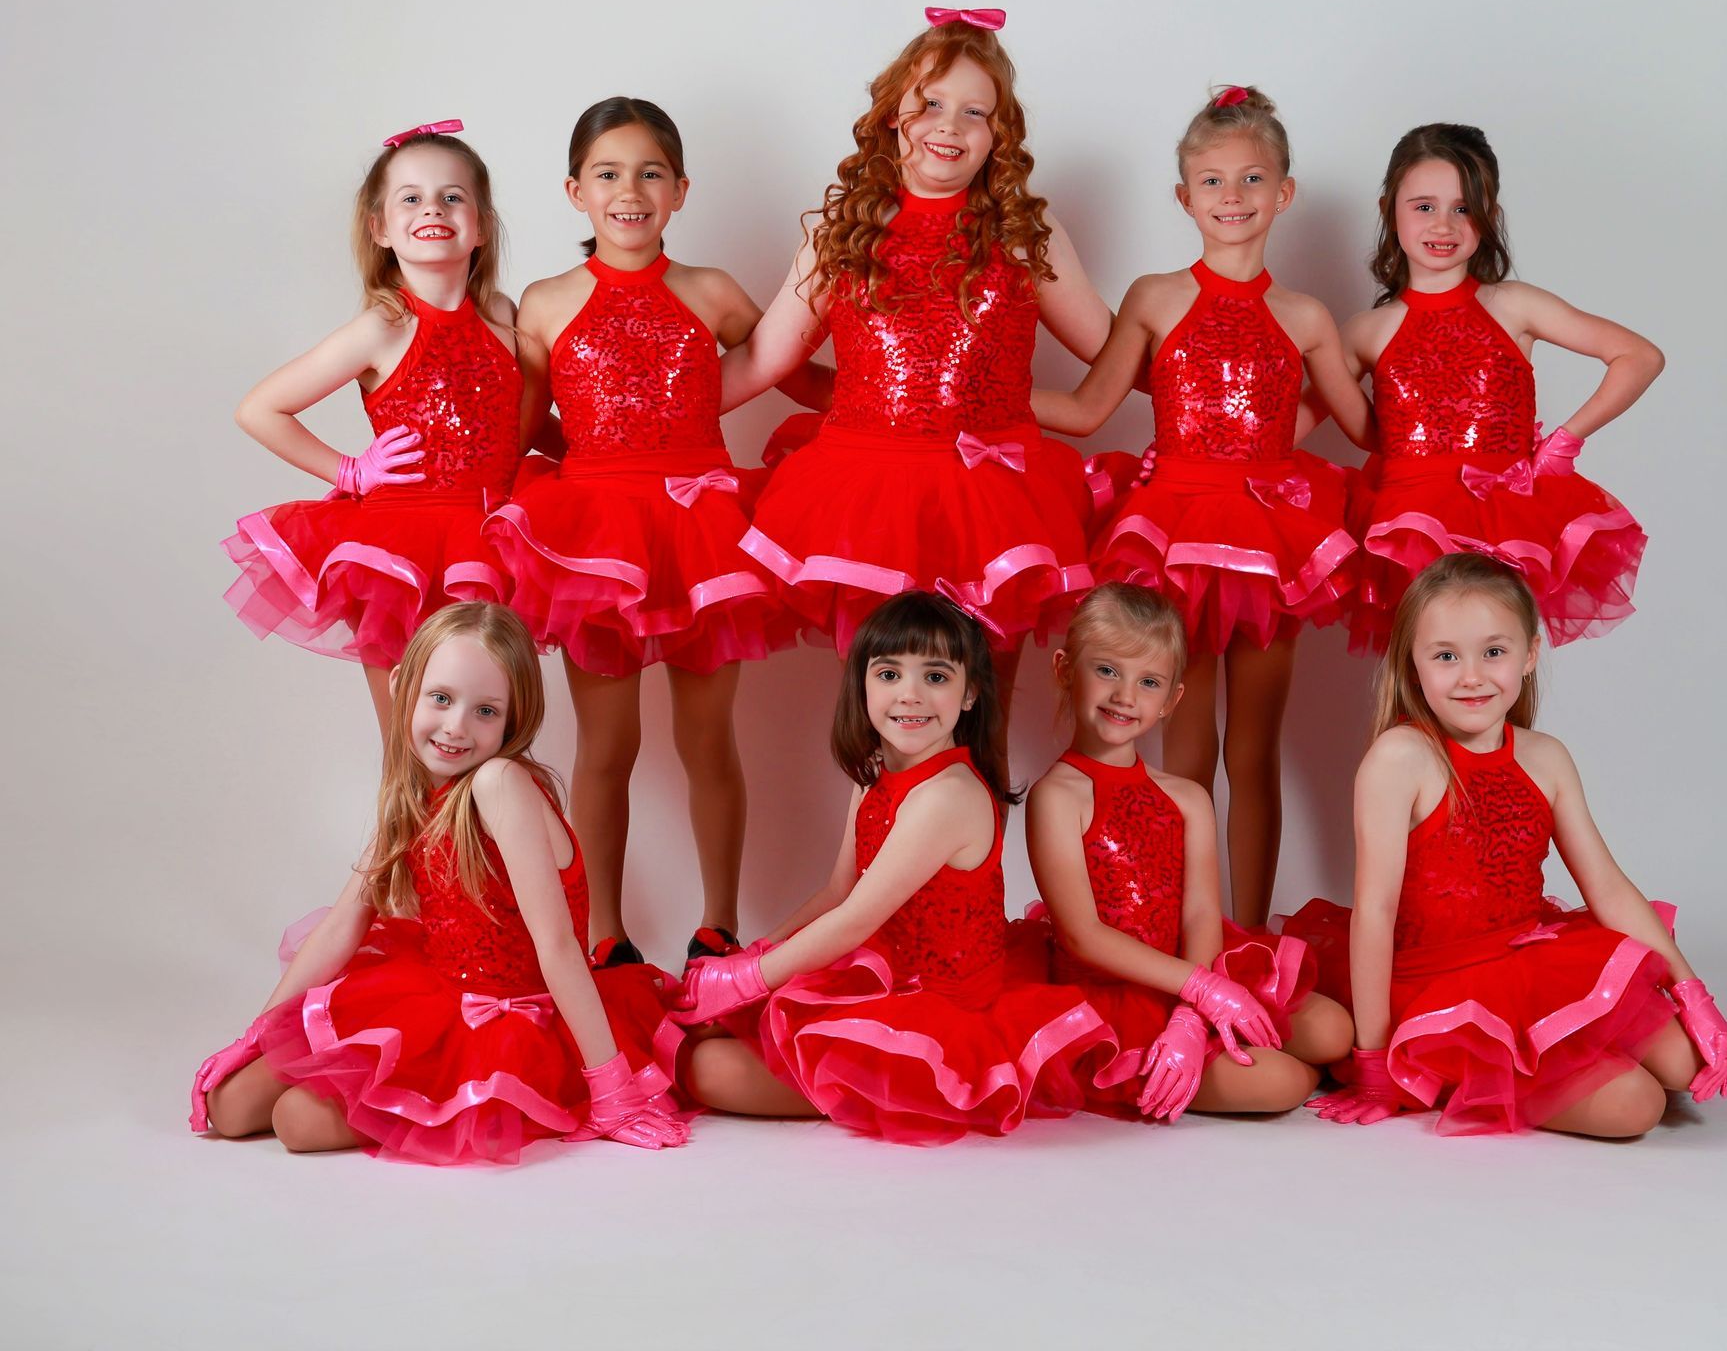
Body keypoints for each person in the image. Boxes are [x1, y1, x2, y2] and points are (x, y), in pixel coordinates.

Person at [1293, 555, 1727, 1137]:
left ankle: (1726, 1033)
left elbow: (1607, 887)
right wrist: (1373, 1064)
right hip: (1440, 986)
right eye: (1446, 656)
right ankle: (1588, 1065)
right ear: (1413, 665)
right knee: (1637, 1109)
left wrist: (1693, 992)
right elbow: (1374, 915)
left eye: (1493, 652)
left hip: (1533, 960)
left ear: (1528, 655)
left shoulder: (1545, 756)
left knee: (1685, 1064)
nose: (1471, 676)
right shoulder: (1401, 758)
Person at [1034, 87, 1373, 923]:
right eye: (1212, 181)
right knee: (1182, 748)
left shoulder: (1305, 317)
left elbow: (1368, 426)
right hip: (1173, 529)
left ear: (1283, 192)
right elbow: (1086, 408)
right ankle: (1186, 934)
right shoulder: (1154, 296)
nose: (1233, 197)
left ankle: (1248, 933)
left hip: (1268, 539)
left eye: (1252, 179)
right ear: (1184, 197)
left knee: (1253, 749)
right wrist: (970, 402)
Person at [485, 97, 808, 965]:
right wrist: (578, 471)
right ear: (574, 191)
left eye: (650, 172)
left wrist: (867, 394)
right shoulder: (547, 304)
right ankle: (605, 937)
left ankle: (720, 927)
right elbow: (523, 428)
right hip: (597, 540)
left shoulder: (710, 293)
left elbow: (794, 371)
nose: (630, 190)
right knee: (609, 744)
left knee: (708, 738)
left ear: (680, 190)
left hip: (702, 529)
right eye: (608, 173)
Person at [189, 603, 687, 1163]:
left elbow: (557, 946)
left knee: (296, 1123)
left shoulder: (499, 783)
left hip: (517, 1021)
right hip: (436, 992)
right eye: (442, 699)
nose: (456, 727)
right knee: (229, 1107)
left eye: (485, 711)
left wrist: (612, 1087)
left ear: (513, 720)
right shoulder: (414, 795)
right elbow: (341, 925)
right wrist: (253, 1035)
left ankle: (566, 1087)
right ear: (404, 687)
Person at [718, 9, 1113, 711]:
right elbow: (764, 360)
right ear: (894, 114)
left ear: (1000, 134)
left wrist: (1200, 344)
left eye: (974, 112)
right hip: (869, 498)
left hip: (994, 500)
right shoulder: (843, 235)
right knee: (889, 720)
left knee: (979, 711)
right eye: (930, 103)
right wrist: (651, 421)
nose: (949, 125)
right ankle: (880, 821)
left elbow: (1116, 348)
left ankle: (974, 815)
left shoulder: (1023, 234)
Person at [670, 591, 1117, 1143]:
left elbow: (855, 918)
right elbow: (838, 890)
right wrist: (757, 955)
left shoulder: (948, 794)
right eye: (888, 674)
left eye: (934, 677)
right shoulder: (876, 774)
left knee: (703, 1066)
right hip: (880, 976)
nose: (909, 695)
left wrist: (743, 981)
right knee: (696, 1031)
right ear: (863, 685)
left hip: (936, 1013)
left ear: (970, 693)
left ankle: (870, 1080)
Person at [223, 122, 521, 734]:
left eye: (453, 196)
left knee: (485, 731)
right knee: (415, 737)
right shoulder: (381, 327)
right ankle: (408, 835)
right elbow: (260, 409)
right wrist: (350, 471)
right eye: (410, 198)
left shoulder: (500, 315)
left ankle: (474, 833)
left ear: (482, 225)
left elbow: (516, 420)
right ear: (380, 228)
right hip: (403, 550)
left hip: (489, 541)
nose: (433, 209)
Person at [1023, 584, 1354, 1121]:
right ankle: (1252, 1065)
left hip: (1196, 970)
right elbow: (1083, 936)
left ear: (1172, 699)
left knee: (1337, 1032)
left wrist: (1192, 1015)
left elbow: (1200, 913)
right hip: (1115, 992)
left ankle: (1237, 1046)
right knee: (1284, 1084)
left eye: (1148, 681)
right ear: (1065, 669)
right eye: (1107, 670)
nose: (1125, 695)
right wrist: (1201, 991)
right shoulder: (1055, 797)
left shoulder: (1187, 798)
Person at [1339, 123, 1659, 652]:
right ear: (1387, 210)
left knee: (1497, 660)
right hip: (1407, 525)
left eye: (1463, 208)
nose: (1443, 224)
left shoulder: (1513, 305)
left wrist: (1565, 443)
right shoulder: (1364, 332)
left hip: (1502, 517)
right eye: (1423, 206)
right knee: (1422, 669)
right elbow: (1304, 421)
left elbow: (1639, 356)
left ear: (1491, 218)